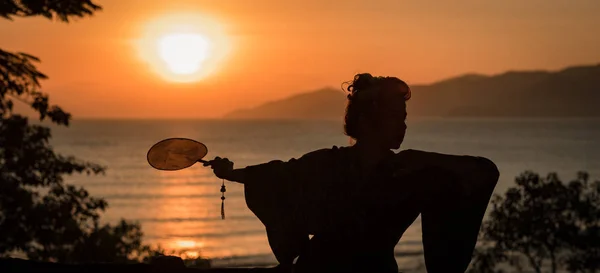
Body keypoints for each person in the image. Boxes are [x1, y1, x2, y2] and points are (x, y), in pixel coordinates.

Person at [206, 73, 499, 273]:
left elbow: (485, 171)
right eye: (395, 117)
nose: (404, 126)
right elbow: (276, 175)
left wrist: (423, 158)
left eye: (405, 118)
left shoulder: (409, 171)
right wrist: (230, 173)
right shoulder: (328, 164)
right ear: (368, 120)